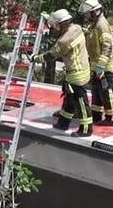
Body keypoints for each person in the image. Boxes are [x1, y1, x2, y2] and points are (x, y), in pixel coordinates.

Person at [34, 9, 92, 137]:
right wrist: (50, 17)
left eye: (57, 26)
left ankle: (86, 129)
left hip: (77, 74)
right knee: (69, 99)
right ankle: (63, 123)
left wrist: (35, 58)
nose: (56, 29)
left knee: (81, 102)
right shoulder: (76, 28)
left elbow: (51, 55)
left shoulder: (64, 40)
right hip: (81, 70)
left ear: (62, 24)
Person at [80, 0, 113, 126]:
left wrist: (101, 67)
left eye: (87, 13)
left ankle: (112, 117)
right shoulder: (95, 24)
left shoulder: (102, 25)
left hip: (106, 67)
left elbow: (106, 46)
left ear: (94, 12)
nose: (85, 16)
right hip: (96, 66)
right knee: (97, 92)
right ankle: (96, 115)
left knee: (108, 92)